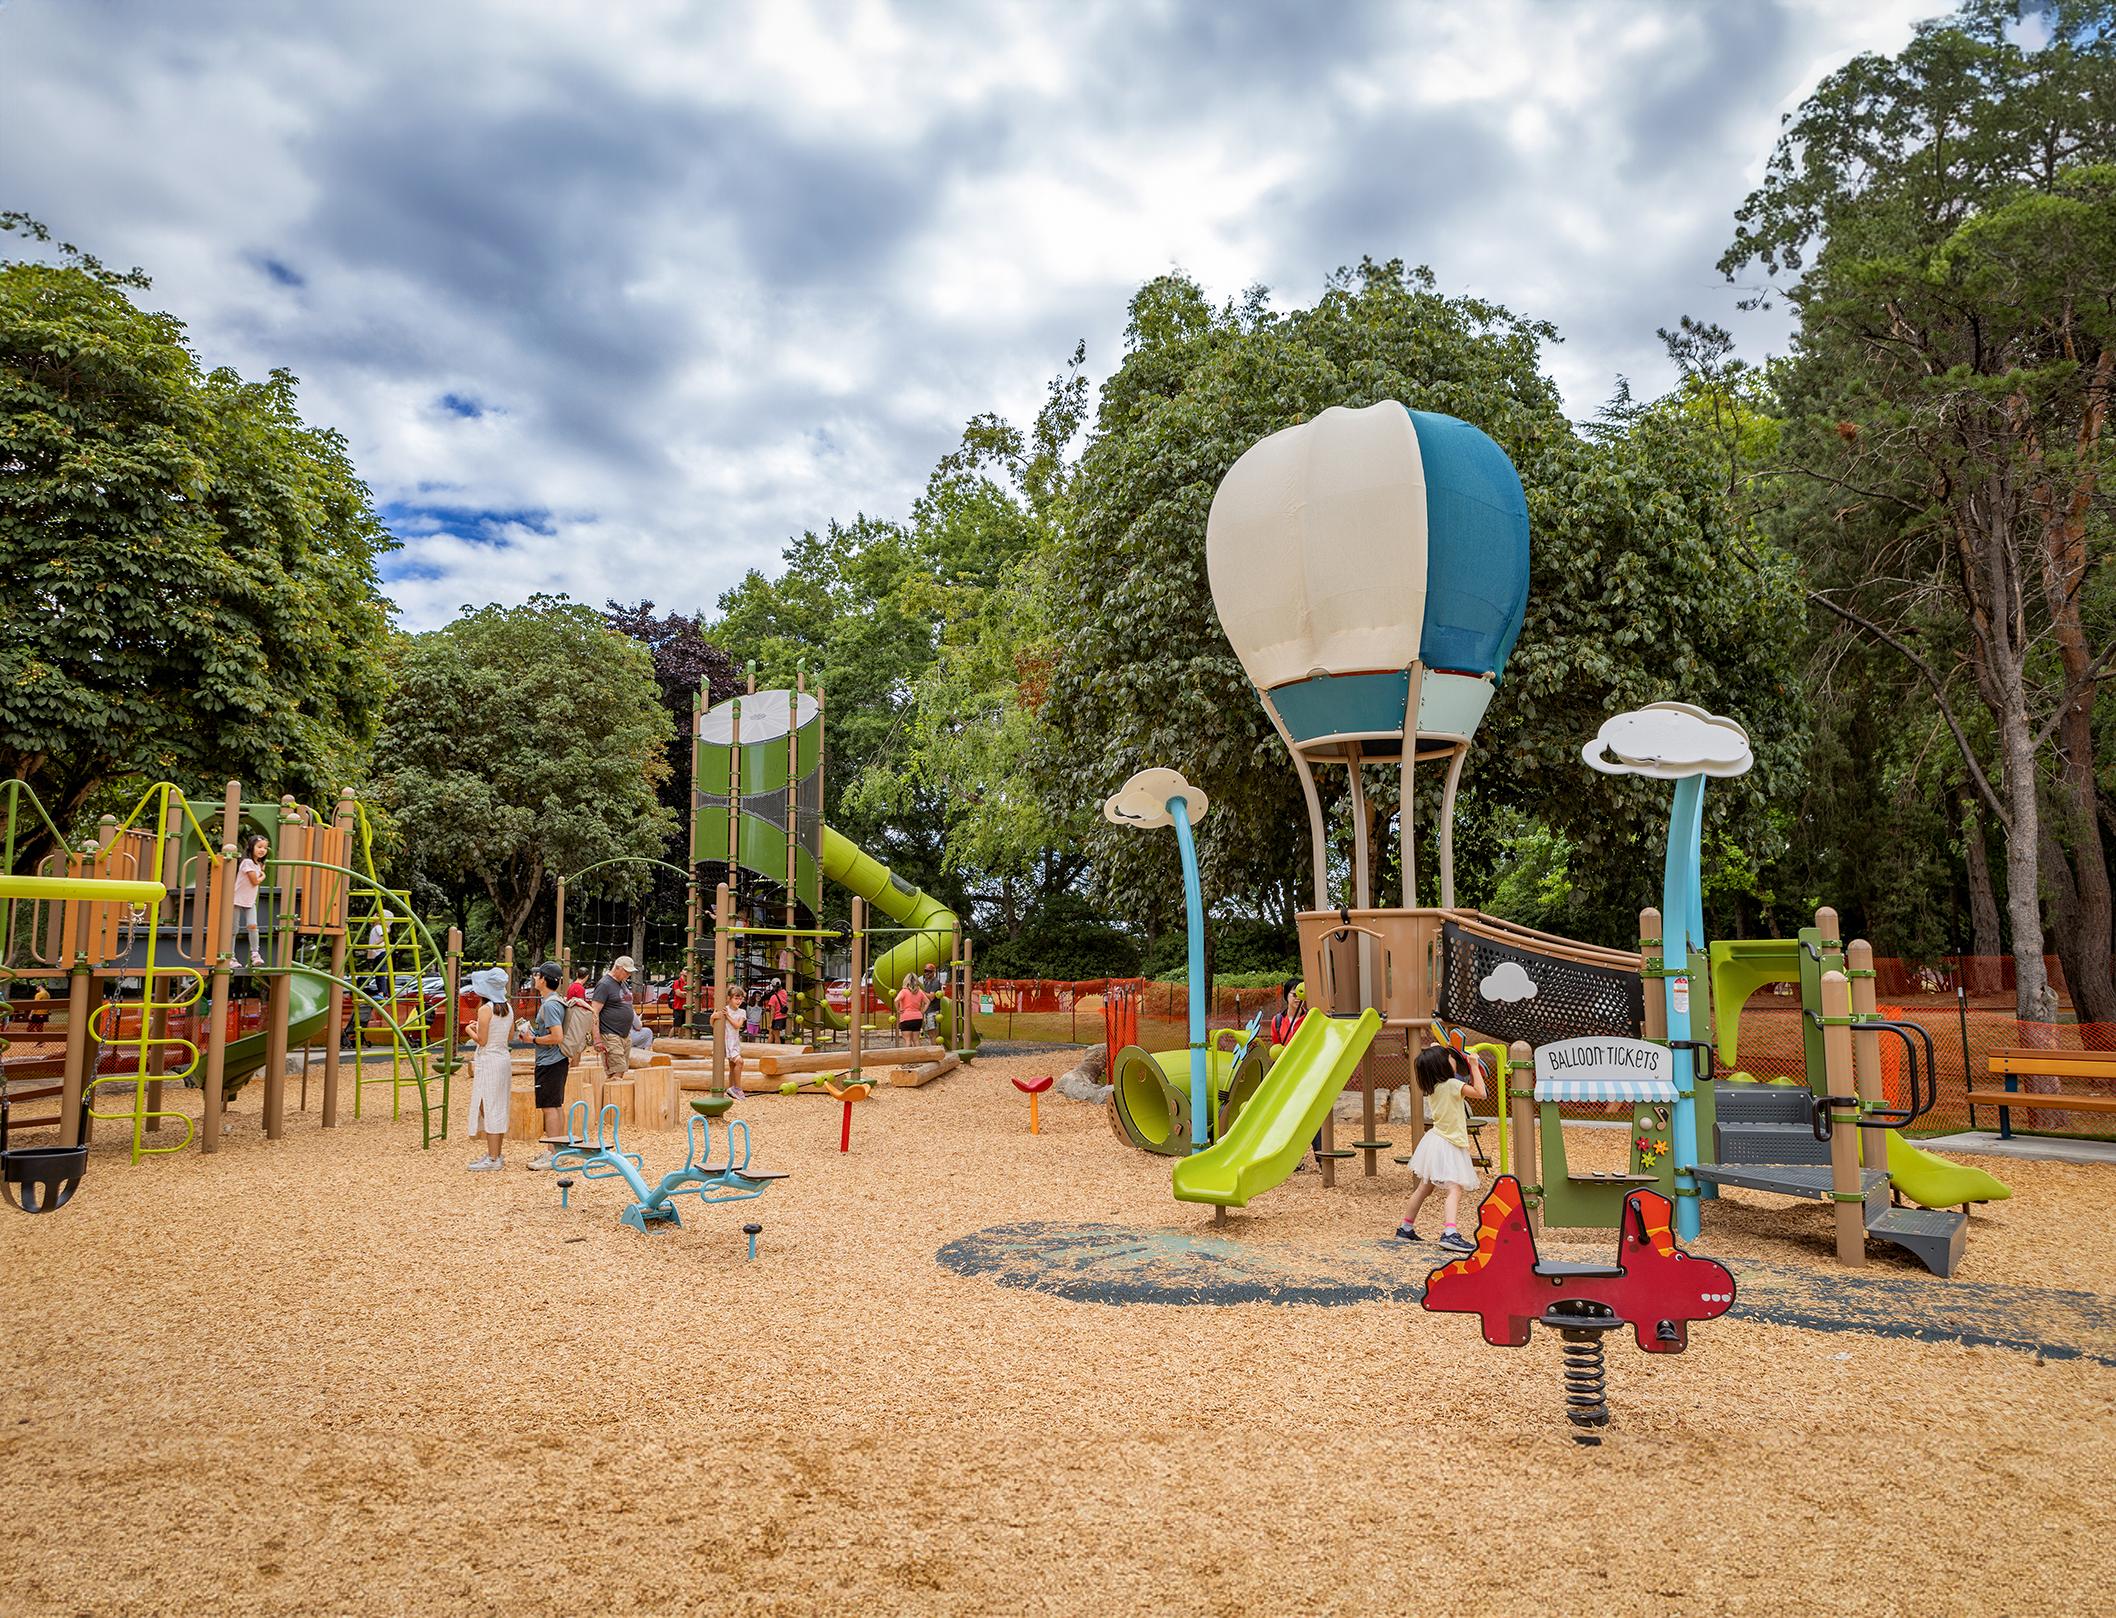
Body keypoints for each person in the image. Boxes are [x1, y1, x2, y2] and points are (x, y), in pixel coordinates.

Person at [1395, 1043, 1488, 1250]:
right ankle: (1450, 1233)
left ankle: (1405, 1228)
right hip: (1449, 1144)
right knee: (1454, 1188)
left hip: (1436, 1141)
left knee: (1424, 1187)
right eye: (1450, 1057)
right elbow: (1481, 1093)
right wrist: (1473, 1065)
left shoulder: (1434, 1087)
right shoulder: (1453, 1086)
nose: (1454, 1059)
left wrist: (1437, 1049)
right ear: (1443, 1065)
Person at [464, 966, 514, 1171]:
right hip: (503, 1058)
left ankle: (493, 1158)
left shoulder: (485, 1009)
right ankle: (496, 1153)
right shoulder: (509, 1008)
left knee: (488, 1106)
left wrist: (469, 1030)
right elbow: (509, 1036)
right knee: (497, 1105)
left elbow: (482, 1040)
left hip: (489, 1061)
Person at [521, 962, 569, 1166]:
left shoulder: (549, 1005)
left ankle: (553, 1154)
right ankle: (558, 1150)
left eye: (537, 975)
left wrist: (532, 1039)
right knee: (555, 1106)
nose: (534, 978)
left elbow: (557, 1036)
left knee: (549, 1107)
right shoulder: (556, 1001)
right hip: (557, 1061)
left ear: (543, 979)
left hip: (549, 1061)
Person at [591, 955, 635, 1083]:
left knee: (618, 1071)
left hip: (624, 1034)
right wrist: (597, 1038)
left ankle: (609, 1100)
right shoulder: (604, 984)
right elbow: (594, 1012)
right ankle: (612, 1101)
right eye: (626, 971)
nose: (628, 975)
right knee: (617, 1070)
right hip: (609, 1034)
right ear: (617, 968)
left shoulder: (623, 983)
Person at [231, 834, 269, 969]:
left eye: (265, 848)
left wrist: (261, 870)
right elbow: (254, 881)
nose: (262, 850)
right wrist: (263, 876)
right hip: (236, 899)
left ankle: (255, 954)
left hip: (249, 900)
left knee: (253, 926)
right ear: (251, 847)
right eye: (259, 847)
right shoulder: (247, 862)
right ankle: (231, 957)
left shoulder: (258, 864)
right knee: (233, 929)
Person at [719, 984, 749, 1100]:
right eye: (736, 998)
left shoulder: (742, 1012)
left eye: (740, 998)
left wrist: (728, 1017)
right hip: (727, 1042)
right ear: (729, 998)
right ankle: (737, 1088)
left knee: (733, 1065)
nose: (739, 1001)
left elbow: (738, 1025)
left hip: (734, 1041)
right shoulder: (725, 1009)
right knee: (739, 1062)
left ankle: (731, 1088)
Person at [894, 972, 927, 1048]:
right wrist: (922, 1011)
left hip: (906, 1017)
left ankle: (909, 1058)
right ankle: (919, 1056)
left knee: (907, 1040)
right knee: (916, 1040)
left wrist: (898, 1009)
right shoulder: (920, 991)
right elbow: (927, 1002)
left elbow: (896, 1000)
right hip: (918, 1017)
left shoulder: (904, 991)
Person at [766, 977, 789, 1042]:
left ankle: (774, 1050)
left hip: (777, 1018)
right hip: (784, 1017)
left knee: (776, 1036)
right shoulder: (785, 992)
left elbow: (772, 1011)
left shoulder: (773, 997)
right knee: (772, 1033)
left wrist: (770, 1022)